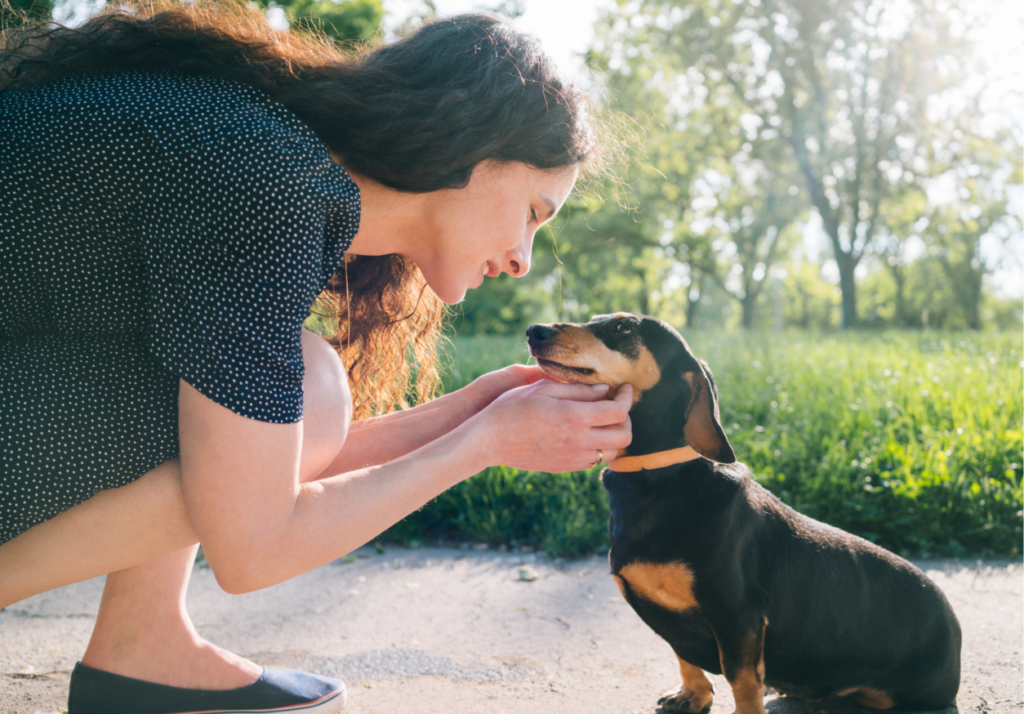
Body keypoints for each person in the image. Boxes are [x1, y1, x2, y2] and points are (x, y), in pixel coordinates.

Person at [0, 2, 633, 713]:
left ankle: (145, 645)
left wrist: (468, 414)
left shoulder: (278, 160)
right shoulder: (271, 186)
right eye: (535, 212)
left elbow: (246, 465)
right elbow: (253, 545)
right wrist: (483, 444)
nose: (522, 258)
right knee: (313, 388)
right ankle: (141, 645)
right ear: (475, 149)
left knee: (291, 395)